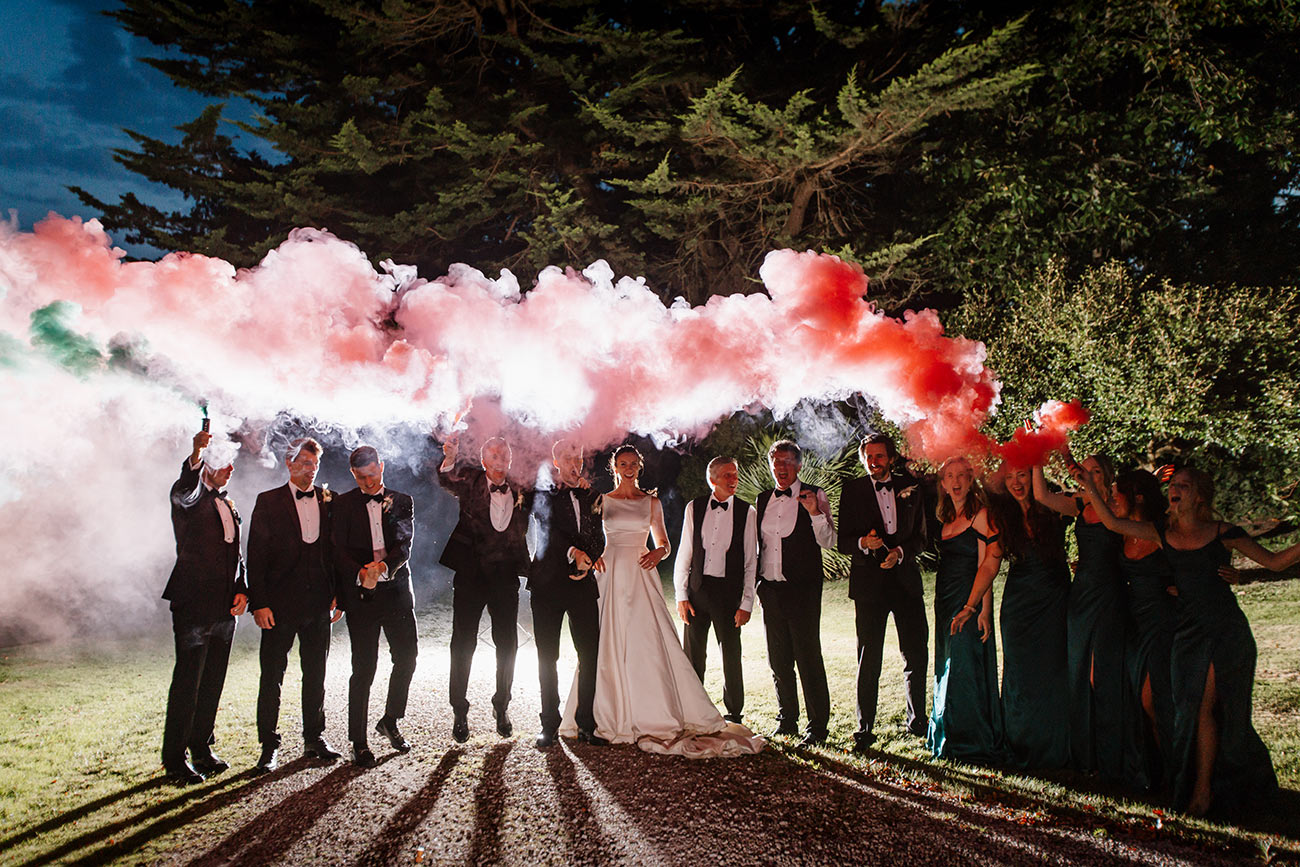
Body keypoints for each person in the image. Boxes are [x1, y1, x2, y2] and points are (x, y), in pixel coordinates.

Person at [1075, 464, 1300, 816]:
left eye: (1184, 485)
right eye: (1173, 484)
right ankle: (1196, 783)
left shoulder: (1223, 532)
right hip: (1186, 632)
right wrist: (1090, 485)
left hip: (1224, 630)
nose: (1175, 489)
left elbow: (1275, 562)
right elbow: (1114, 524)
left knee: (1210, 708)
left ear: (1199, 496)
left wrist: (1240, 575)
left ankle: (1203, 791)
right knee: (1189, 710)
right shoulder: (1161, 532)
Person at [561, 445, 762, 757]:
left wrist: (657, 552)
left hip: (641, 574)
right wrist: (593, 554)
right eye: (623, 463)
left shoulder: (651, 502)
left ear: (639, 466)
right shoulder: (601, 500)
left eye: (633, 463)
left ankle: (653, 709)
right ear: (615, 467)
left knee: (647, 641)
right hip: (610, 575)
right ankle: (600, 713)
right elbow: (587, 535)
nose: (629, 468)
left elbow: (665, 544)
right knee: (602, 643)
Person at [957, 463, 1070, 770]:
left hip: (1055, 599)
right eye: (1009, 476)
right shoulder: (1002, 516)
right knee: (1019, 673)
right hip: (1019, 605)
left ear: (1035, 475)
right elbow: (990, 564)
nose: (1016, 482)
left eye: (1022, 474)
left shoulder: (1054, 505)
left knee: (1053, 671)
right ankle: (1022, 743)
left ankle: (1057, 747)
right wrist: (971, 605)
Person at [246, 437, 342, 772]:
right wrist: (260, 603)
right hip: (279, 605)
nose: (310, 469)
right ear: (289, 464)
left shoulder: (329, 500)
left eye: (314, 464)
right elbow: (255, 556)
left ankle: (314, 738)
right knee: (272, 676)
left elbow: (336, 552)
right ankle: (268, 746)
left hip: (319, 604)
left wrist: (338, 594)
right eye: (304, 463)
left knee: (316, 674)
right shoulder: (268, 501)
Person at [160, 430, 248, 784]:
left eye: (232, 463)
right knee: (188, 682)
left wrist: (242, 589)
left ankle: (201, 748)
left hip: (225, 607)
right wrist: (196, 454)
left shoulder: (228, 503)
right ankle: (174, 760)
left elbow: (235, 555)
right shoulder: (190, 497)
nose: (230, 469)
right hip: (193, 603)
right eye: (223, 463)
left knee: (213, 680)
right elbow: (185, 487)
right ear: (207, 466)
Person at [1031, 457, 1128, 779]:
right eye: (1085, 470)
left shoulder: (1119, 505)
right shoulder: (1079, 503)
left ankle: (1111, 755)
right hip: (1081, 594)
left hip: (1111, 593)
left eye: (1095, 470)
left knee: (1103, 673)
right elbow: (1042, 495)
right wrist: (1037, 457)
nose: (1089, 475)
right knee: (1079, 672)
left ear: (1107, 475)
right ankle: (1086, 755)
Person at [837, 433, 929, 751]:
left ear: (890, 458)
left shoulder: (911, 487)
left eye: (879, 456)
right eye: (868, 457)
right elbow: (843, 541)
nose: (873, 462)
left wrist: (900, 553)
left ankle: (918, 721)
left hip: (906, 583)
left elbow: (922, 538)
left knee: (915, 653)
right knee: (868, 657)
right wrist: (864, 543)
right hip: (869, 588)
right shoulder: (853, 490)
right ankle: (864, 728)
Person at [439, 436, 532, 742]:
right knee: (463, 642)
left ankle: (502, 705)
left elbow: (550, 496)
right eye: (494, 455)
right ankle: (459, 709)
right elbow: (447, 479)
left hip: (505, 575)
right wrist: (450, 457)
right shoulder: (471, 481)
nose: (500, 460)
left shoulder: (522, 487)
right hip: (471, 574)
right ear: (483, 461)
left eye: (505, 455)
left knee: (508, 643)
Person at [333, 445, 417, 768]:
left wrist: (381, 568)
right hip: (362, 596)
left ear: (381, 467)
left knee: (407, 658)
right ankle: (359, 742)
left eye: (372, 475)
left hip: (396, 591)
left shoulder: (402, 500)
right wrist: (360, 574)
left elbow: (404, 545)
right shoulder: (342, 505)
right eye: (361, 478)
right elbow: (337, 551)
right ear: (352, 474)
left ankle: (390, 720)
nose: (368, 483)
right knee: (364, 668)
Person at [755, 440, 835, 746]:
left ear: (799, 465)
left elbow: (829, 541)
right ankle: (787, 719)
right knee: (778, 660)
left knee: (808, 658)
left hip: (802, 591)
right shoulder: (763, 499)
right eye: (776, 462)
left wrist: (814, 512)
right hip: (770, 590)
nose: (781, 467)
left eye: (788, 461)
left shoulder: (815, 494)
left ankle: (817, 727)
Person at [528, 439, 606, 748]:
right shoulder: (543, 493)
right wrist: (575, 553)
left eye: (579, 458)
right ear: (556, 461)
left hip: (582, 585)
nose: (575, 464)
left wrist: (589, 558)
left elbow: (599, 536)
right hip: (547, 585)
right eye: (568, 458)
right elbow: (549, 530)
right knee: (548, 656)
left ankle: (586, 723)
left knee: (589, 653)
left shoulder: (593, 495)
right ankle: (549, 723)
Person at [928, 456, 1003, 764]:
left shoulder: (982, 515)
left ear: (971, 481)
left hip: (967, 600)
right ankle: (946, 732)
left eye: (962, 475)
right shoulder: (945, 518)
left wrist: (982, 609)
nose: (956, 481)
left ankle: (969, 740)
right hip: (944, 601)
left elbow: (987, 565)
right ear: (943, 484)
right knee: (947, 663)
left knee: (965, 666)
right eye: (950, 476)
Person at [673, 455, 757, 725]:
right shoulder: (694, 508)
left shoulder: (747, 512)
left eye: (735, 474)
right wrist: (681, 596)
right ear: (712, 480)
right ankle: (693, 709)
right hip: (697, 591)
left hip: (728, 595)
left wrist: (746, 603)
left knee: (731, 655)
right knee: (693, 655)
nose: (734, 480)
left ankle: (734, 713)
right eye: (727, 475)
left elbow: (750, 561)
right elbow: (685, 553)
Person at [1111, 468, 1178, 792]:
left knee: (1156, 700)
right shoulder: (1121, 533)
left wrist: (1181, 587)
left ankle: (1177, 773)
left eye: (1116, 495)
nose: (1112, 501)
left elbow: (1192, 561)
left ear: (1137, 497)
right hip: (1133, 622)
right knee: (1140, 701)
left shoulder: (1161, 531)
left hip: (1162, 621)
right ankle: (1158, 771)